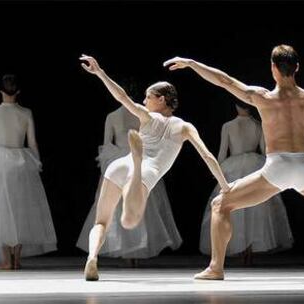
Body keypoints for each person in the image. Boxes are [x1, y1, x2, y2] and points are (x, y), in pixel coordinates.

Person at [164, 44, 304, 279]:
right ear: (297, 68)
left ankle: (216, 268)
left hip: (277, 168)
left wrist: (192, 64)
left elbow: (225, 81)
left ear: (273, 68)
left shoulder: (262, 97)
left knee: (221, 205)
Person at [80, 55, 230, 281]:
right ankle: (138, 162)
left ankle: (93, 256)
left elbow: (122, 97)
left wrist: (100, 72)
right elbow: (208, 156)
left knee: (101, 222)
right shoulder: (185, 127)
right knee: (130, 220)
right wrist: (225, 185)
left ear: (160, 99)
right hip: (145, 172)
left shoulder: (147, 117)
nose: (144, 100)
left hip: (119, 165)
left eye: (148, 97)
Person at [76, 104, 182, 266]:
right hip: (140, 164)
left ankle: (93, 256)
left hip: (117, 164)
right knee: (139, 210)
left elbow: (106, 148)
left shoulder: (112, 116)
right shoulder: (146, 116)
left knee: (105, 218)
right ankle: (135, 255)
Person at [199, 101, 293, 263]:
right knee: (257, 206)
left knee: (234, 206)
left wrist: (217, 171)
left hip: (233, 167)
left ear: (236, 106)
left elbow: (222, 152)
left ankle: (239, 247)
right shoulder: (259, 125)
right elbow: (265, 151)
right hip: (256, 165)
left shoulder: (228, 126)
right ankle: (250, 248)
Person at [0, 74, 57, 269]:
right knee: (20, 208)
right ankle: (16, 259)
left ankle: (6, 259)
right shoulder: (26, 112)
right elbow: (32, 142)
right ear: (18, 92)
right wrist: (36, 162)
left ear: (1, 91)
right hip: (21, 161)